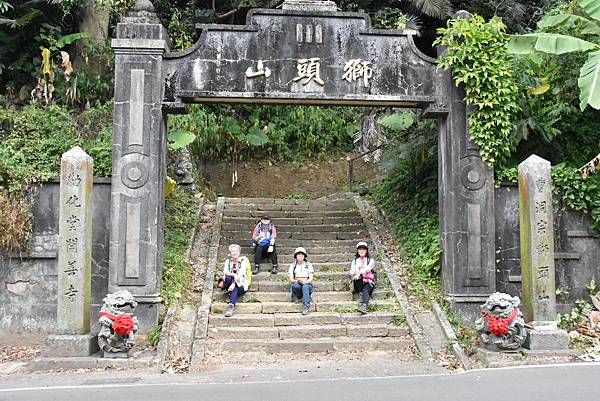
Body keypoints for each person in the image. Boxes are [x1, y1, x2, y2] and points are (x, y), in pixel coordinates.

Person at [220, 243, 251, 317]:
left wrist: (234, 284)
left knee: (235, 288)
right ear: (230, 253)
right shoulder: (228, 261)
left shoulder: (243, 262)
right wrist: (233, 274)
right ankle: (231, 298)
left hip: (241, 285)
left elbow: (240, 274)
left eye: (236, 251)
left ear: (239, 253)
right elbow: (225, 271)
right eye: (233, 251)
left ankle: (231, 306)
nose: (235, 252)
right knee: (228, 277)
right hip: (229, 283)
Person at [350, 241, 376, 315]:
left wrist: (360, 273)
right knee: (358, 278)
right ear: (357, 251)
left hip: (369, 281)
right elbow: (351, 272)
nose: (362, 251)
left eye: (363, 249)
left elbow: (368, 268)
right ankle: (363, 296)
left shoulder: (370, 260)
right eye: (360, 249)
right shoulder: (355, 261)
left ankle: (364, 306)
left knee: (365, 290)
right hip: (358, 282)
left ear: (366, 250)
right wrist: (357, 274)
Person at [289, 246, 314, 315]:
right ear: (296, 256)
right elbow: (291, 278)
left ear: (304, 256)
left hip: (307, 283)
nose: (300, 256)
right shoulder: (293, 265)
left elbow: (311, 277)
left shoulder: (308, 265)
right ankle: (298, 296)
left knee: (305, 287)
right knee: (296, 286)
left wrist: (306, 282)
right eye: (298, 254)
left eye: (302, 254)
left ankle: (306, 306)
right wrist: (296, 280)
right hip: (297, 282)